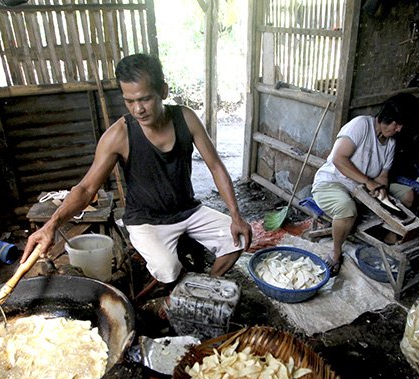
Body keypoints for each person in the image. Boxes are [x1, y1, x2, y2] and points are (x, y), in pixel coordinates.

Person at [21, 53, 252, 297]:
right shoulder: (118, 135)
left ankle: (202, 291)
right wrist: (51, 225)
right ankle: (186, 294)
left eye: (145, 99)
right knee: (168, 268)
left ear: (163, 91)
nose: (138, 109)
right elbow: (86, 189)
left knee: (237, 238)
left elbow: (216, 166)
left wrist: (236, 215)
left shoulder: (186, 118)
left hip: (188, 210)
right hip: (145, 220)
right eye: (129, 101)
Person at [311, 94, 419, 275]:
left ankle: (389, 238)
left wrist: (381, 191)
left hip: (362, 189)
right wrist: (368, 182)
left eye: (402, 125)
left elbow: (383, 176)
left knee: (408, 195)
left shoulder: (390, 143)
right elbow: (339, 159)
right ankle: (336, 252)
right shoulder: (361, 125)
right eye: (396, 123)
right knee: (346, 209)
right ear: (385, 117)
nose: (399, 129)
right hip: (334, 182)